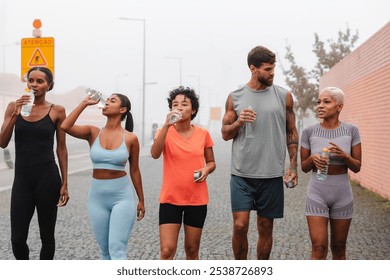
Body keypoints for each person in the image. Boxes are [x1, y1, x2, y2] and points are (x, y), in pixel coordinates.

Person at [221, 46, 299, 260]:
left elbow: (291, 131)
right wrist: (239, 121)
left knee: (265, 227)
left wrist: (293, 166)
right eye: (267, 69)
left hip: (271, 174)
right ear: (253, 69)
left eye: (274, 68)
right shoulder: (235, 97)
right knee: (239, 225)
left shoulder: (284, 96)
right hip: (241, 174)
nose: (272, 73)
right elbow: (225, 134)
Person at [61, 92, 145, 260]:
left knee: (117, 250)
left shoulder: (130, 138)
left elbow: (135, 170)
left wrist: (141, 200)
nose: (106, 102)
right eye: (106, 100)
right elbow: (65, 126)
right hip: (97, 198)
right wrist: (84, 103)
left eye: (112, 101)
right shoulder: (93, 132)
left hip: (122, 197)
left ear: (123, 109)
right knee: (105, 252)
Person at [0, 66, 69, 260]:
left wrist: (64, 183)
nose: (34, 84)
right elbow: (2, 142)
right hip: (22, 181)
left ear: (49, 86)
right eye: (31, 80)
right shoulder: (14, 106)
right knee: (17, 239)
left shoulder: (57, 111)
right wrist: (16, 114)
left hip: (48, 179)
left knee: (47, 236)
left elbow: (61, 148)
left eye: (40, 81)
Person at [150, 86, 216, 260]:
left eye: (184, 104)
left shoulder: (203, 134)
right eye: (175, 104)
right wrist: (166, 126)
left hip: (196, 199)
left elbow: (211, 162)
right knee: (167, 250)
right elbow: (155, 154)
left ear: (193, 109)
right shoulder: (164, 132)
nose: (179, 107)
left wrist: (207, 169)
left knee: (192, 250)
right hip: (170, 199)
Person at [300, 86, 361, 260]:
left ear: (339, 106)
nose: (321, 105)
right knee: (319, 247)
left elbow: (357, 166)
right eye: (319, 101)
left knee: (339, 248)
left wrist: (345, 156)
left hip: (342, 192)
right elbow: (304, 167)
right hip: (317, 192)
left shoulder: (351, 131)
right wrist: (312, 159)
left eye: (327, 101)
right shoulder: (309, 131)